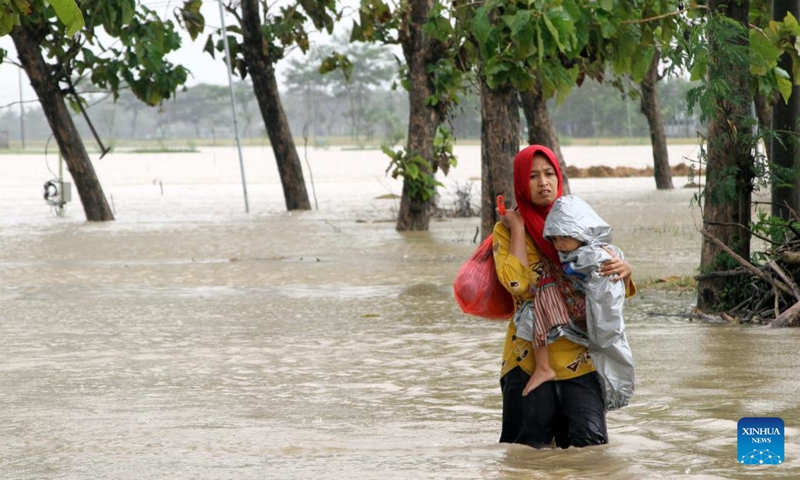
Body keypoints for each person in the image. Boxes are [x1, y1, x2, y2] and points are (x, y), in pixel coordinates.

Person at [492, 145, 635, 449]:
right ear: (520, 182)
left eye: (548, 174)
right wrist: (518, 228)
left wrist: (625, 268)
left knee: (591, 450)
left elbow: (604, 277)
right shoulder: (505, 231)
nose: (543, 182)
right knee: (527, 454)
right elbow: (519, 284)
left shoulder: (577, 220)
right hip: (528, 359)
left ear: (558, 177)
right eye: (533, 176)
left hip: (581, 359)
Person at [543, 195, 635, 411]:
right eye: (554, 239)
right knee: (606, 354)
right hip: (581, 332)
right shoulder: (574, 255)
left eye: (565, 237)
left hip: (601, 322)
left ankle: (617, 395)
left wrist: (627, 271)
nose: (560, 244)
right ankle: (613, 396)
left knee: (610, 349)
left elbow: (610, 290)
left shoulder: (596, 255)